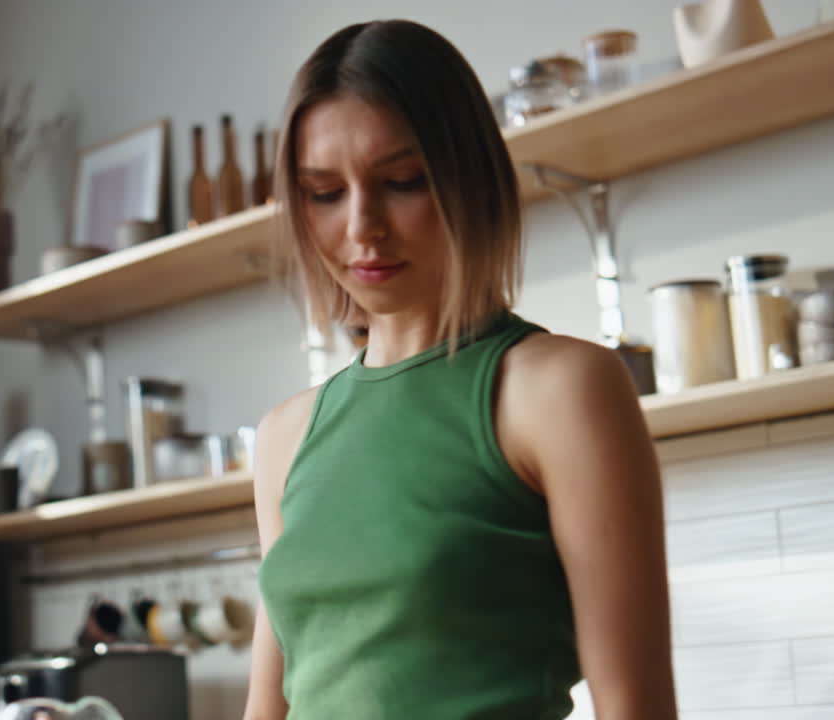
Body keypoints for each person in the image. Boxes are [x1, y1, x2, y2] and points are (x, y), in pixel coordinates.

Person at [242, 19, 677, 720]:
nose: (362, 226)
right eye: (324, 192)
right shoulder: (284, 436)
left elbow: (635, 707)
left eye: (403, 181)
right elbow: (268, 709)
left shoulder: (559, 389)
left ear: (468, 178)